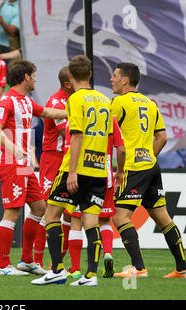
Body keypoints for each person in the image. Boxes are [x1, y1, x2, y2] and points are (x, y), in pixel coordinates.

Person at [32, 55, 113, 287]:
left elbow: (76, 135)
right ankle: (91, 276)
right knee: (91, 221)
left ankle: (57, 269)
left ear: (70, 76)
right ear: (89, 74)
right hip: (99, 168)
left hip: (75, 169)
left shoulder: (75, 99)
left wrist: (74, 172)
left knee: (52, 215)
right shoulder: (104, 100)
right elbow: (107, 137)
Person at [110, 62, 186, 279]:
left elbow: (106, 131)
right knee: (163, 217)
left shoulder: (119, 103)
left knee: (120, 217)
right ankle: (182, 268)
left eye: (115, 75)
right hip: (151, 165)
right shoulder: (150, 103)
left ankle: (138, 268)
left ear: (125, 80)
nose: (112, 79)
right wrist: (149, 157)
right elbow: (162, 137)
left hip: (133, 167)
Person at [0, 60, 67, 276]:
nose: (35, 79)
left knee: (39, 208)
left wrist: (73, 110)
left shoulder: (25, 101)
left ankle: (26, 260)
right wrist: (13, 147)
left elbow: (48, 113)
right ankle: (4, 265)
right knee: (12, 212)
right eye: (33, 75)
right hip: (11, 161)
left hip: (23, 164)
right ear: (25, 77)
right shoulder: (6, 101)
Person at [63, 116, 125, 279]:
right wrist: (119, 171)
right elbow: (121, 148)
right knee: (104, 220)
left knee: (76, 221)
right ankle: (108, 254)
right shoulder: (109, 118)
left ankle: (75, 269)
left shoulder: (77, 117)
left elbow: (68, 146)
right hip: (105, 171)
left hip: (83, 168)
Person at [33, 66, 74, 268]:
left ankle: (56, 263)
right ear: (67, 83)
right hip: (53, 159)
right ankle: (37, 261)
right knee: (50, 210)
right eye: (77, 79)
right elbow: (66, 134)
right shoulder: (56, 102)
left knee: (69, 212)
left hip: (69, 158)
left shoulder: (75, 100)